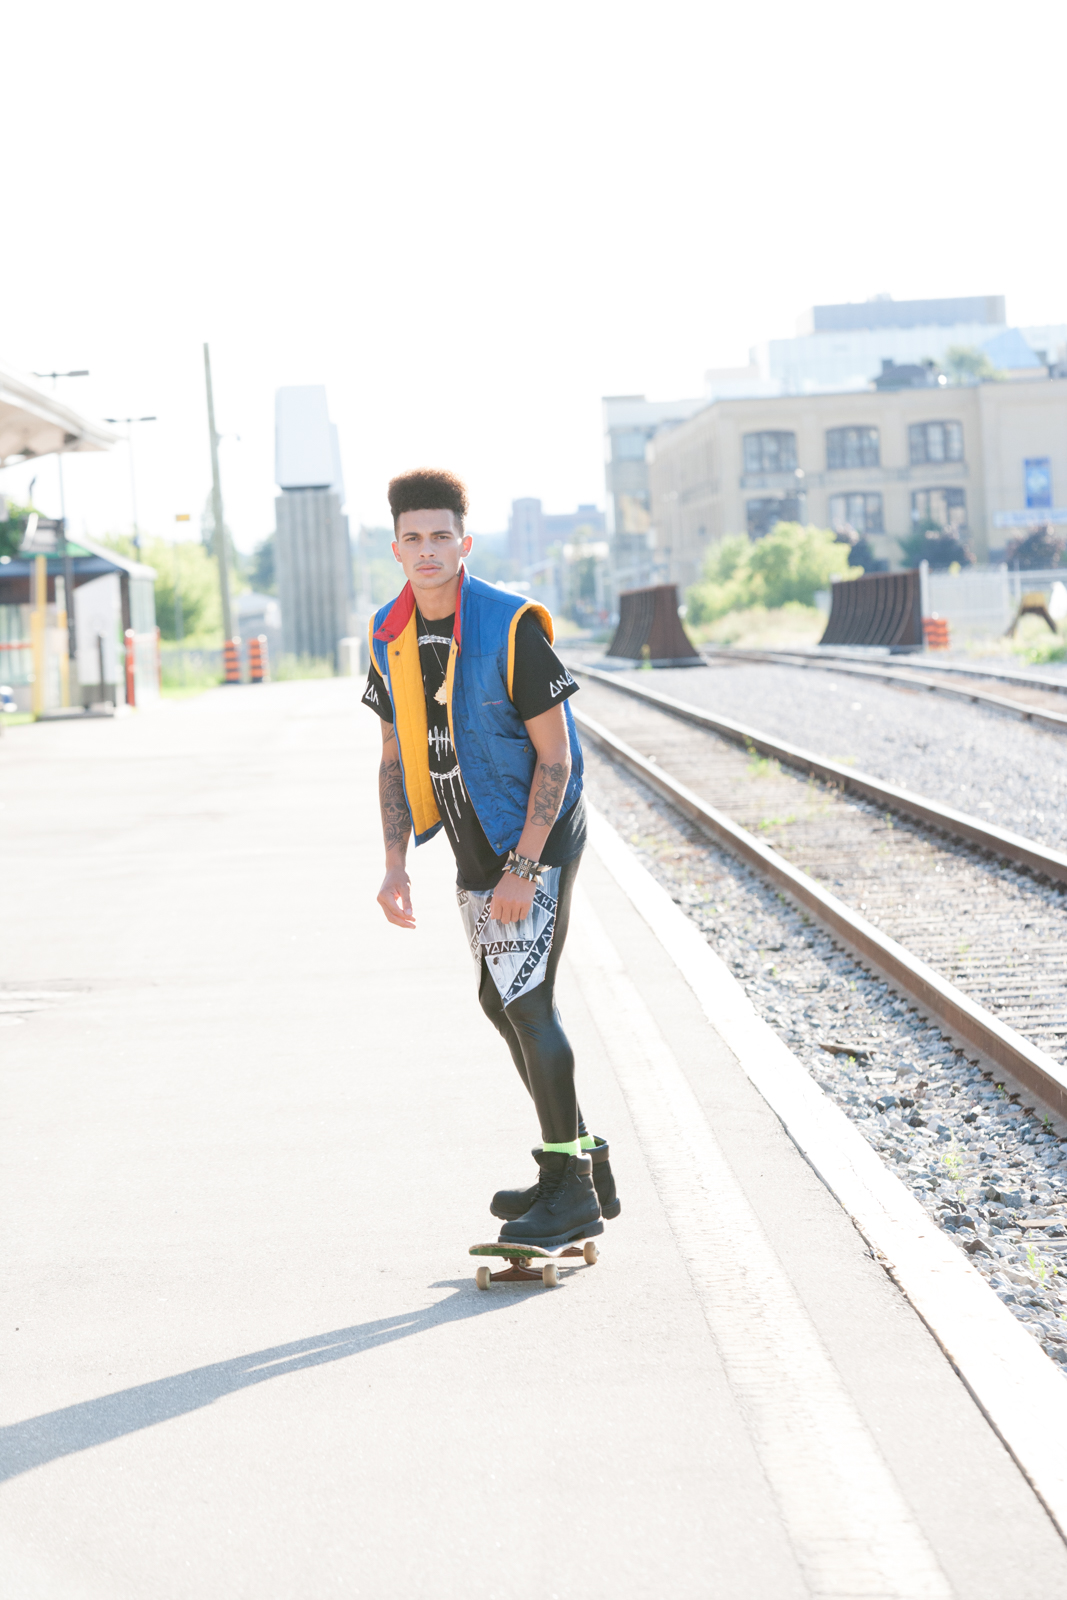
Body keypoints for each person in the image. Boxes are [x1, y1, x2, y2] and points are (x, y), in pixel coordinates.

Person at [363, 467, 620, 1248]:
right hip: (471, 839)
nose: (428, 549)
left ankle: (570, 1188)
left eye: (442, 535)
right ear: (397, 548)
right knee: (497, 999)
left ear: (463, 541)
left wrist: (524, 868)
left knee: (526, 1002)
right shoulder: (388, 634)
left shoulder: (512, 627)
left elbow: (557, 761)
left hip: (532, 836)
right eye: (413, 538)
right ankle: (576, 1161)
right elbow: (391, 758)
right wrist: (394, 863)